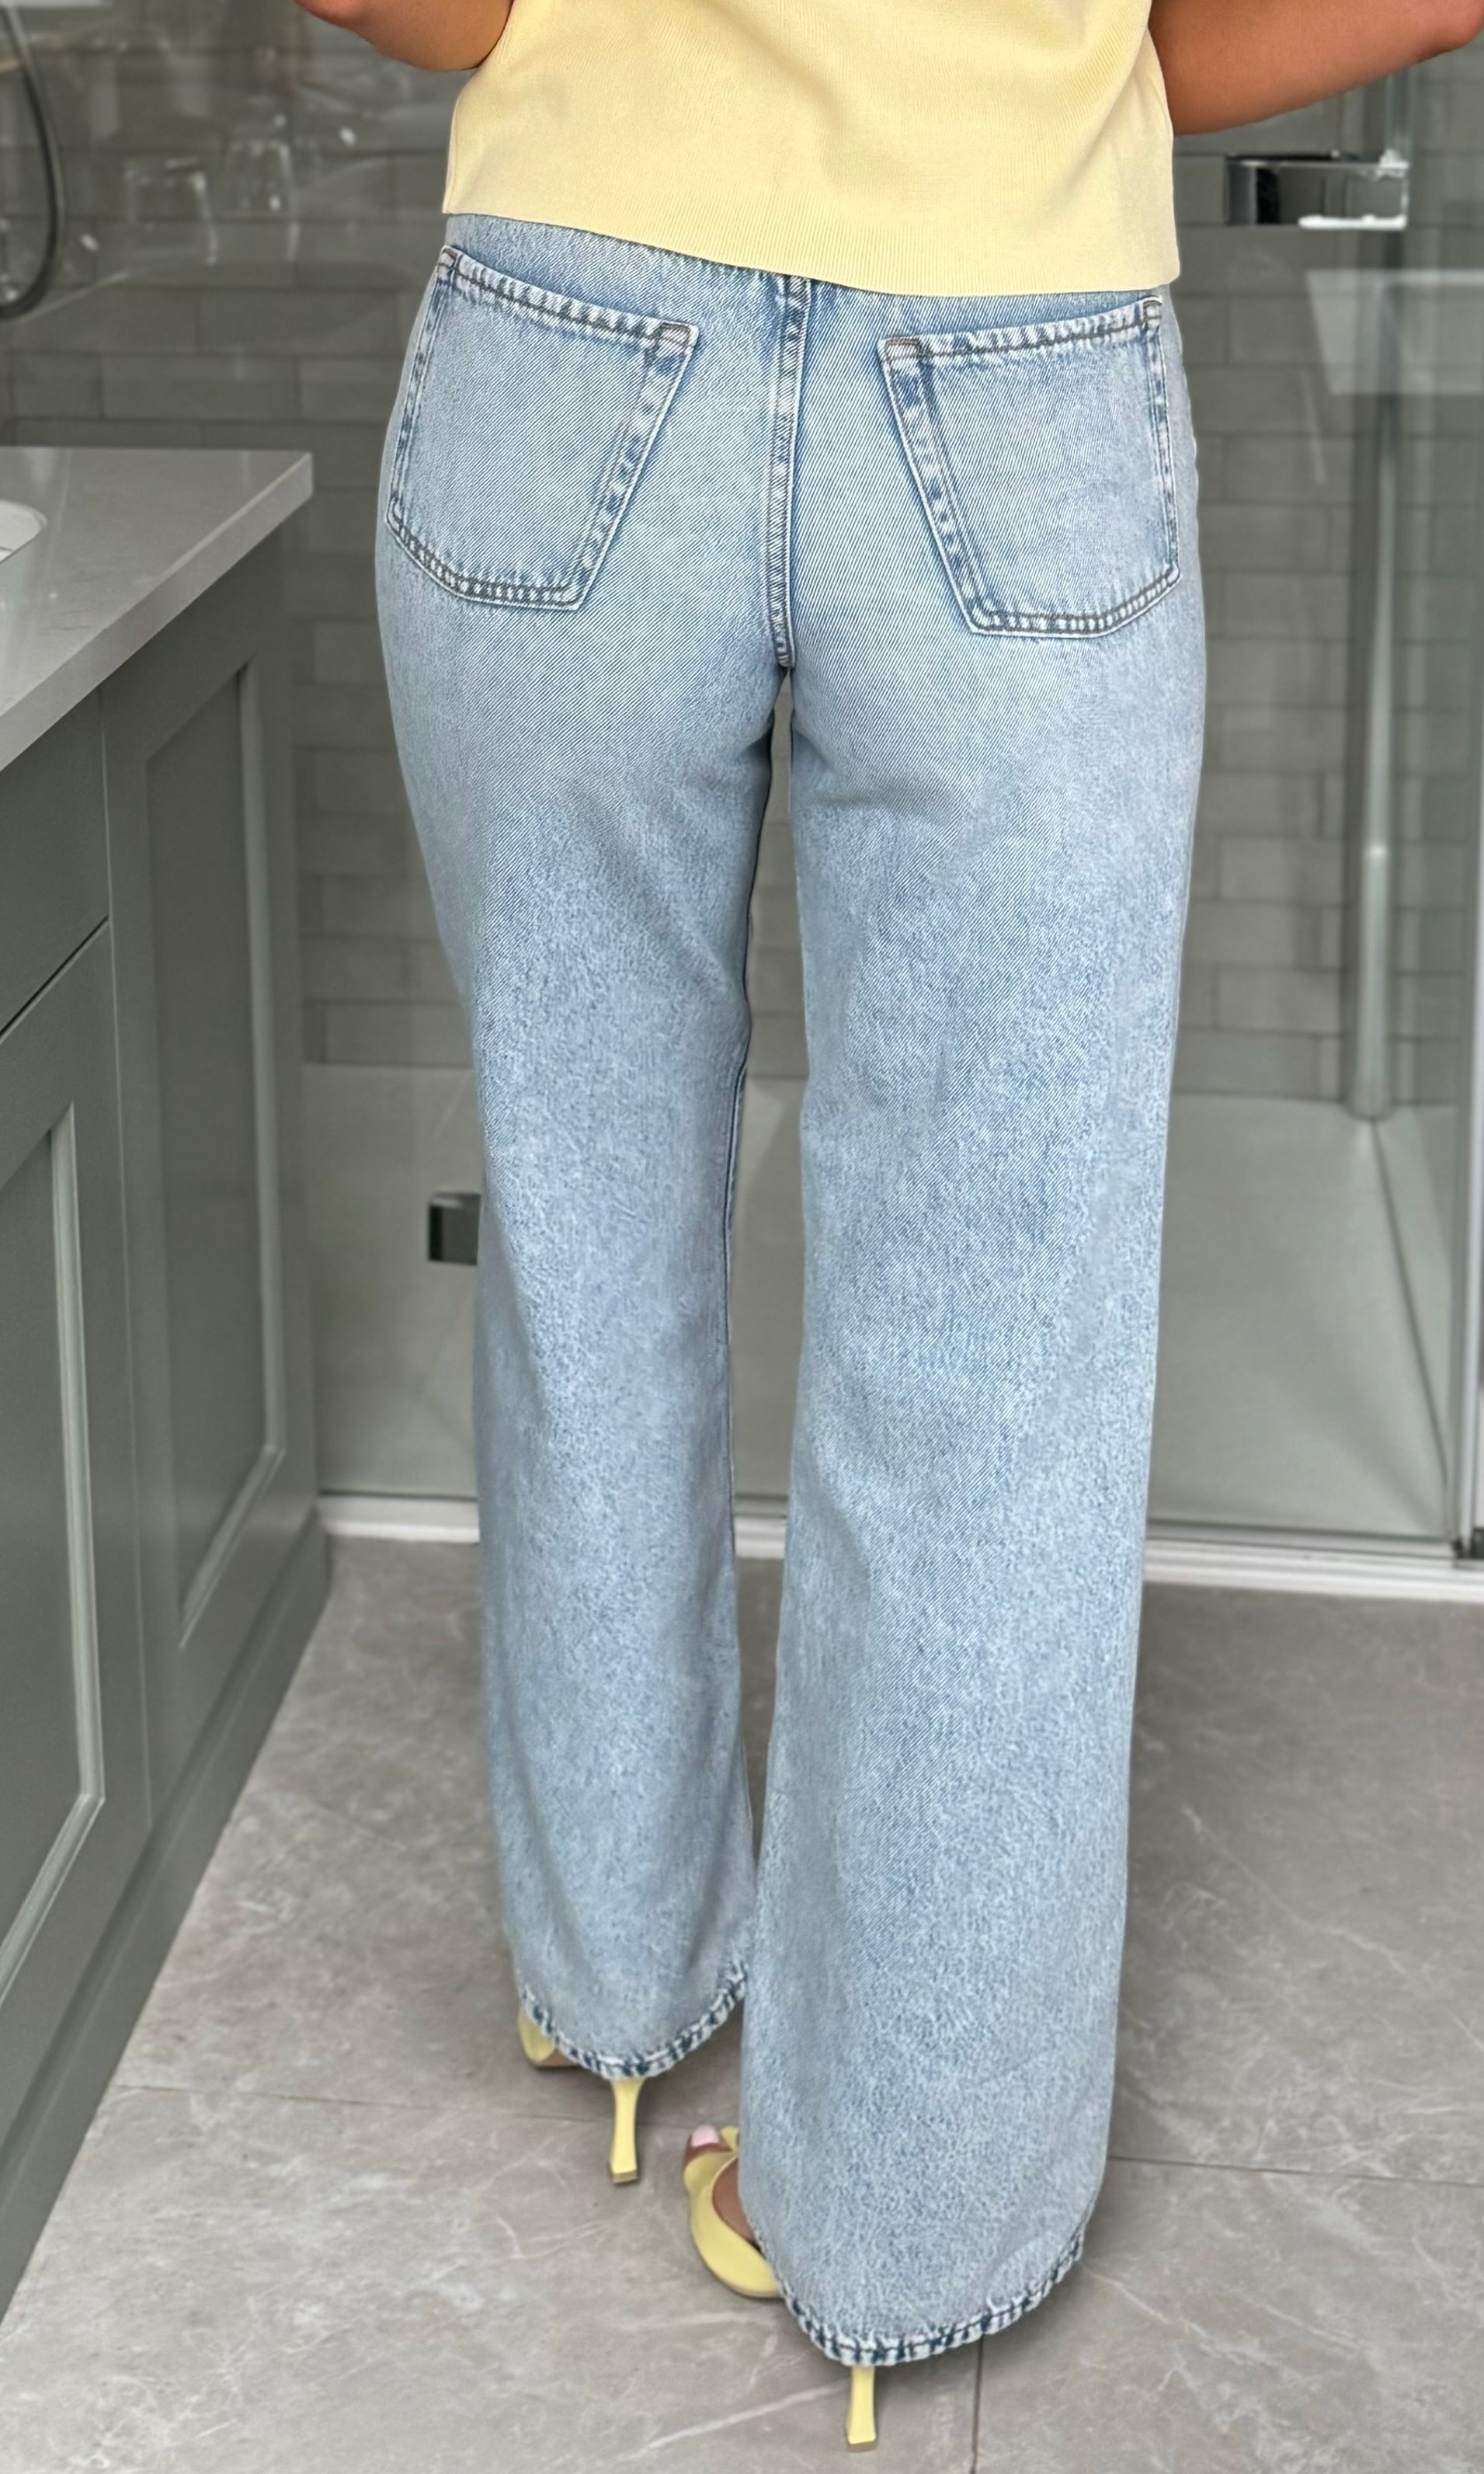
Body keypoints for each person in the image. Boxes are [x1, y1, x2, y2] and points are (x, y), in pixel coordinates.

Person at [294, 0, 1484, 2447]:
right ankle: (898, 2228)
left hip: (569, 331)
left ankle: (618, 1992)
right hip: (1018, 348)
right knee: (994, 1363)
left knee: (586, 1243)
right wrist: (1061, 75)